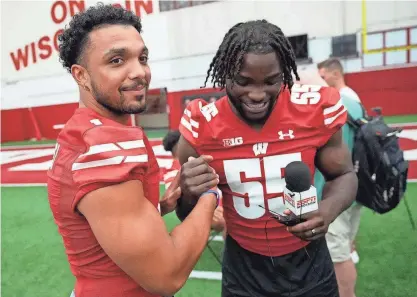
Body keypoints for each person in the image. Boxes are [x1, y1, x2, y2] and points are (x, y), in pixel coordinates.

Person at [47, 4, 221, 297]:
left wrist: (158, 206)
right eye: (116, 60)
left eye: (142, 58)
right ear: (81, 75)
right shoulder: (102, 146)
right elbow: (166, 275)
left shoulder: (87, 131)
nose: (139, 72)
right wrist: (210, 197)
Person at [176, 20, 358, 297]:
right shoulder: (202, 124)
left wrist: (328, 209)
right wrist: (187, 194)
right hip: (244, 266)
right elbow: (186, 212)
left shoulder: (315, 108)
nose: (257, 94)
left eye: (271, 81)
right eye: (243, 81)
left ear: (285, 73)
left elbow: (343, 174)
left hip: (310, 262)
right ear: (224, 74)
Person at [317, 58, 364, 297]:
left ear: (335, 74)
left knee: (337, 258)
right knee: (343, 249)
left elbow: (335, 161)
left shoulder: (339, 104)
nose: (321, 82)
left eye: (323, 77)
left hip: (338, 193)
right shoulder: (354, 100)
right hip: (354, 190)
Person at [163, 130, 226, 233]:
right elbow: (178, 195)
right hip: (197, 208)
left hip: (214, 202)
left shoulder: (193, 161)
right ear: (179, 145)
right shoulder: (172, 168)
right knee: (225, 220)